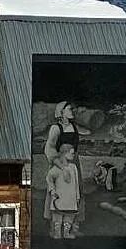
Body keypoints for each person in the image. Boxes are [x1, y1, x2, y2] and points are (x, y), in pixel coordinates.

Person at [43, 102, 90, 234]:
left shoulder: (74, 127)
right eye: (69, 109)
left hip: (74, 162)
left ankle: (74, 226)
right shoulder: (55, 128)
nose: (72, 111)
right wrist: (60, 165)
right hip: (59, 162)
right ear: (61, 111)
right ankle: (55, 227)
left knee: (76, 191)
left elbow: (88, 131)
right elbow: (49, 147)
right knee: (59, 193)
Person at [45, 142, 81, 239]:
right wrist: (52, 191)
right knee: (58, 215)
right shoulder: (56, 168)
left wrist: (77, 196)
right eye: (71, 153)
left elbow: (76, 183)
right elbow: (49, 178)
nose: (73, 155)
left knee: (69, 216)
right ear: (65, 153)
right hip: (59, 196)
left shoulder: (73, 167)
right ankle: (57, 233)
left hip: (71, 197)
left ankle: (66, 233)